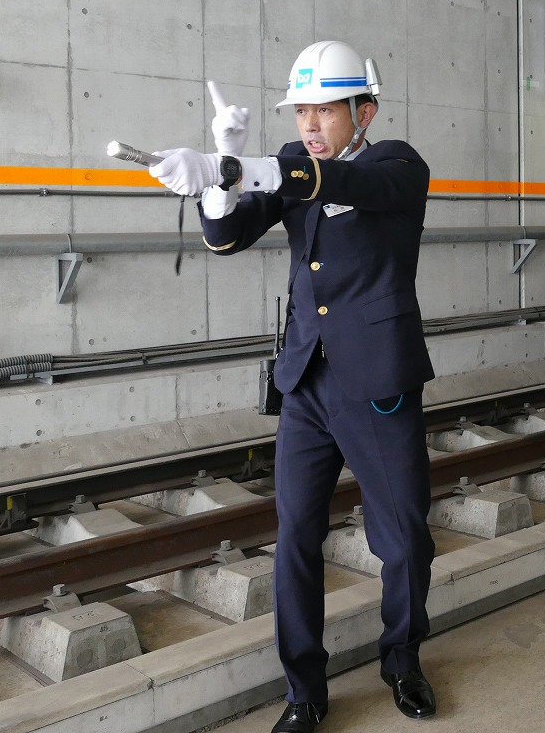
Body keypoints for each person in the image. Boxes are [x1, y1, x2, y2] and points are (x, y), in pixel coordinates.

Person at [150, 40, 438, 733]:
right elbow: (226, 238)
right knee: (296, 538)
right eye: (302, 110)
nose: (310, 124)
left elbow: (327, 184)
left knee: (402, 540)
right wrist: (220, 183)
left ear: (362, 112)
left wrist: (239, 165)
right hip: (307, 382)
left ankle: (402, 659)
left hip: (377, 383)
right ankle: (304, 691)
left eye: (325, 111)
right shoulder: (291, 167)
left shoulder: (396, 165)